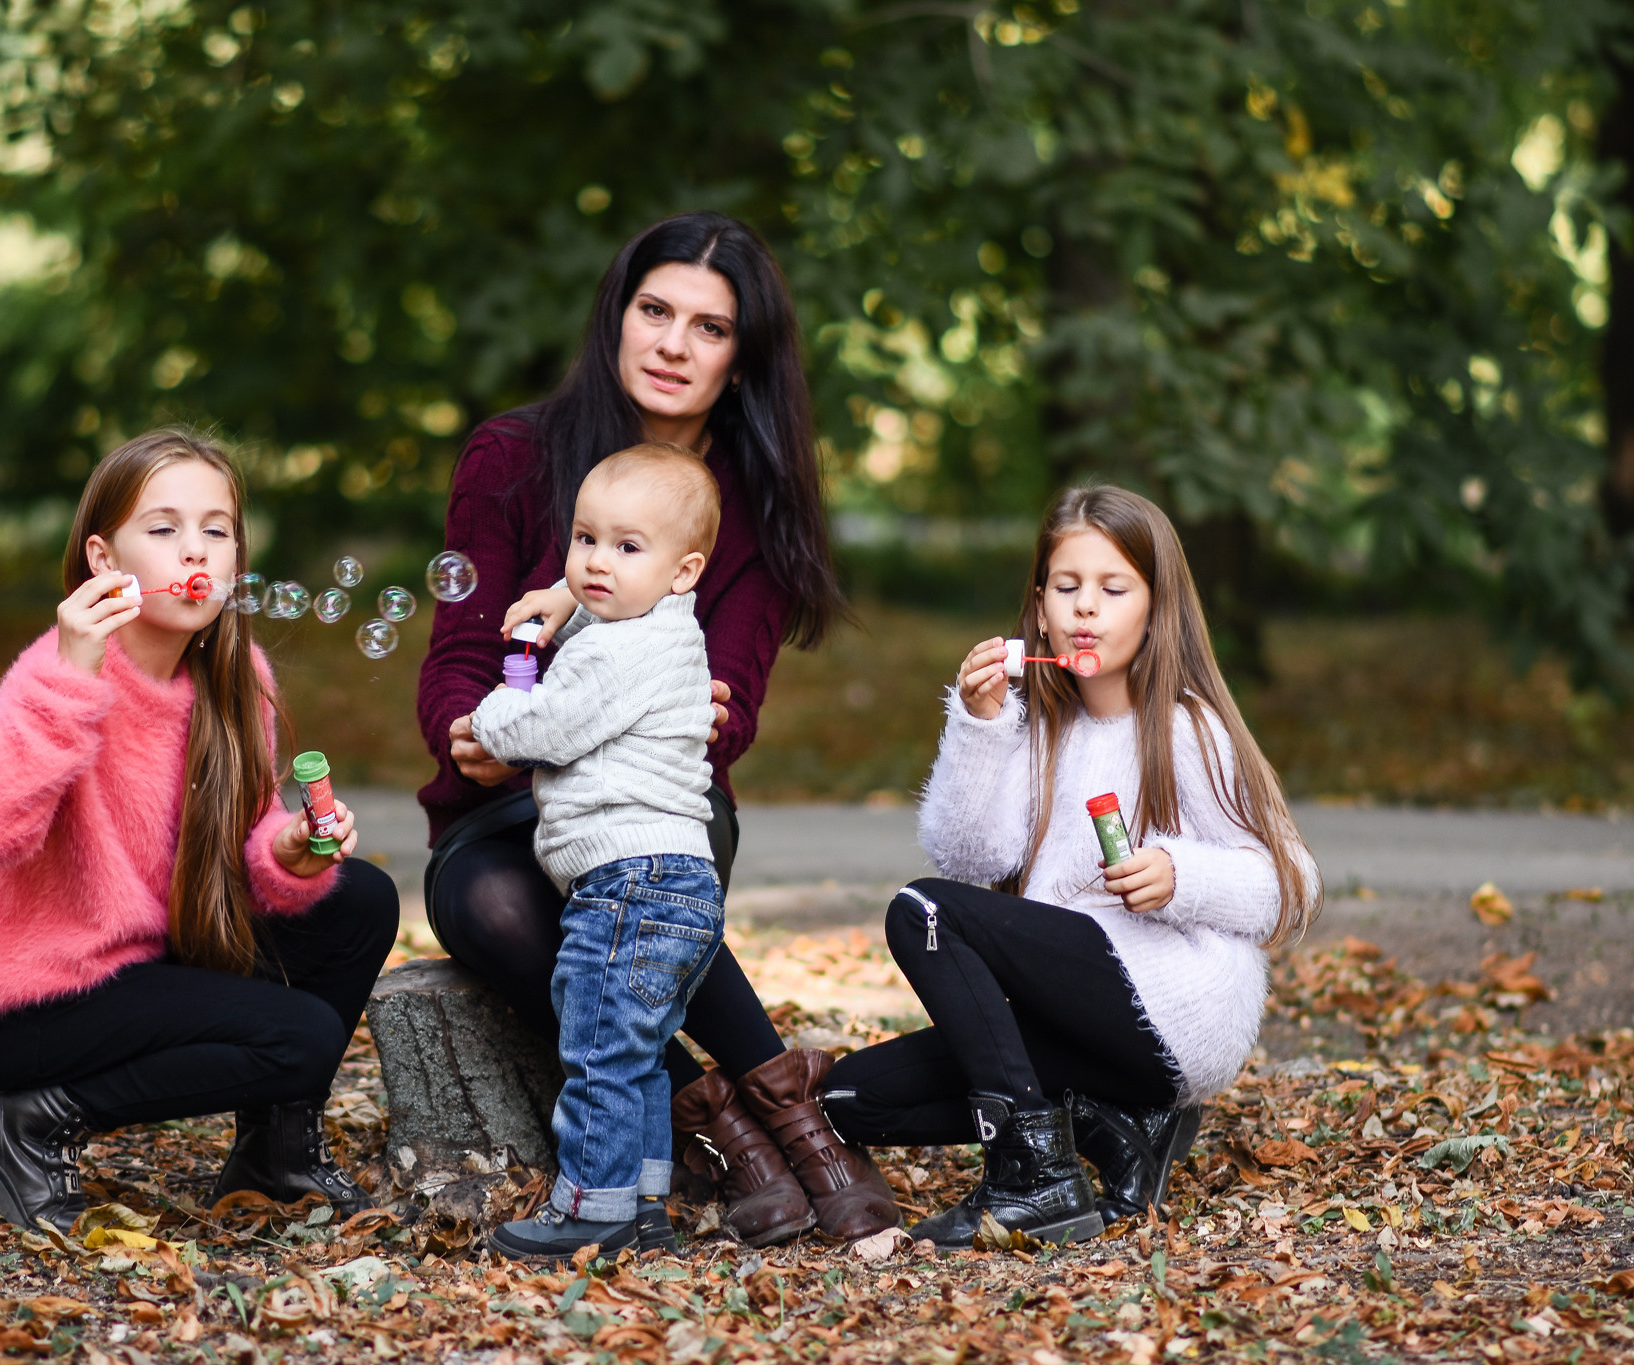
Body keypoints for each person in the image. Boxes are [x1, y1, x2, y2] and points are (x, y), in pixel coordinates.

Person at [416, 212, 896, 1245]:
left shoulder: (754, 500)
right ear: (618, 318)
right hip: (501, 806)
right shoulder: (512, 456)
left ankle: (758, 1129)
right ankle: (751, 1119)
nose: (673, 344)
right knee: (499, 907)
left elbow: (724, 709)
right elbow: (461, 651)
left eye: (709, 327)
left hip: (657, 796)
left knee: (636, 877)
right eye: (654, 311)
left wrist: (623, 714)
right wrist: (469, 731)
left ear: (742, 355)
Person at [823, 485, 1321, 1248]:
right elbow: (968, 858)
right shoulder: (1036, 730)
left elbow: (1292, 885)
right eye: (1067, 586)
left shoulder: (1185, 726)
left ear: (1155, 608)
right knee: (851, 1097)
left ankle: (1037, 1180)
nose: (1086, 608)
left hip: (1171, 1004)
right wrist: (980, 727)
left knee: (921, 909)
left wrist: (1180, 876)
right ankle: (1116, 1127)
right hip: (1073, 1021)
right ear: (1039, 605)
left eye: (1113, 588)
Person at [0, 430, 399, 1235]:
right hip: (41, 1000)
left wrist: (288, 850)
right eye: (165, 528)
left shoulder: (235, 675)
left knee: (362, 897)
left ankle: (275, 1153)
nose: (197, 550)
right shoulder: (62, 672)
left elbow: (242, 847)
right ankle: (26, 1123)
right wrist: (70, 678)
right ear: (104, 558)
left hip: (156, 956)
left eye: (217, 530)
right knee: (303, 1039)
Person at [467, 444, 730, 1259]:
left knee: (596, 1053)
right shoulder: (659, 629)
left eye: (626, 547)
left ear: (684, 571)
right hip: (679, 881)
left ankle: (593, 1209)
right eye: (584, 539)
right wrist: (563, 604)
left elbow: (542, 726)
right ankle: (644, 1207)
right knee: (639, 1055)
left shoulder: (621, 653)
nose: (594, 563)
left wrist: (493, 712)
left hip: (628, 885)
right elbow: (599, 616)